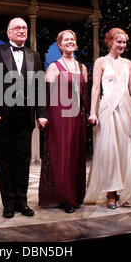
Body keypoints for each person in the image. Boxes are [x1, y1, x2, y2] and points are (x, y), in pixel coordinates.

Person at [0, 17, 47, 218]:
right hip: (2, 115)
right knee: (4, 160)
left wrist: (41, 113)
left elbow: (39, 86)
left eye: (24, 28)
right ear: (9, 32)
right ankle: (8, 203)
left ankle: (22, 201)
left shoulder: (33, 54)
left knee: (23, 159)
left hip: (25, 116)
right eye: (17, 28)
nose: (22, 31)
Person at [84, 28, 131, 209]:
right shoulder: (100, 62)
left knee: (123, 149)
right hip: (107, 109)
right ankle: (110, 193)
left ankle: (122, 191)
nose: (122, 45)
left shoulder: (128, 63)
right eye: (119, 42)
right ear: (110, 42)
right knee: (109, 151)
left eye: (124, 43)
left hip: (125, 108)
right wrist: (92, 112)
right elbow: (95, 88)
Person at [38, 30, 88, 213]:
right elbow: (45, 95)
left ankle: (74, 194)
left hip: (78, 118)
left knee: (75, 156)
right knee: (63, 156)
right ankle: (66, 197)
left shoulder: (82, 67)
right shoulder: (54, 67)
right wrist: (43, 116)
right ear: (59, 45)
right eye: (66, 39)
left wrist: (88, 114)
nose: (70, 41)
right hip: (60, 117)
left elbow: (85, 95)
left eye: (72, 39)